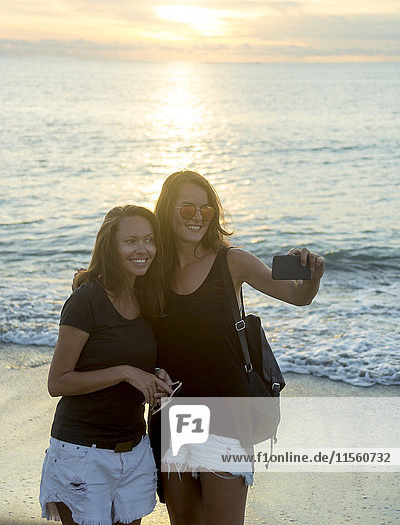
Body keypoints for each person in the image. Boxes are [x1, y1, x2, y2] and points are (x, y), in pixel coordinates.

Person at [150, 170, 325, 525]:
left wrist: (312, 277)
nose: (198, 217)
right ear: (167, 211)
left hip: (227, 416)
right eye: (187, 209)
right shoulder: (152, 269)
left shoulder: (231, 261)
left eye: (207, 210)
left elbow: (296, 296)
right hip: (174, 416)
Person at [40, 205, 173, 525]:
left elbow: (133, 359)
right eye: (130, 241)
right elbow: (58, 382)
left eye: (149, 240)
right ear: (110, 245)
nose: (143, 249)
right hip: (82, 453)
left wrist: (154, 376)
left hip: (133, 449)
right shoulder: (87, 300)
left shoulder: (147, 298)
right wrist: (126, 372)